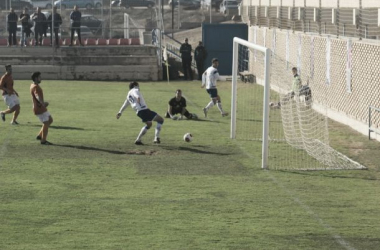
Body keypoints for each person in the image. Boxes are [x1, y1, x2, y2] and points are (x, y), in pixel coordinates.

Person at [30, 72, 53, 145]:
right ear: (36, 78)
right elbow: (37, 96)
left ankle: (40, 136)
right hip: (39, 108)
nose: (41, 78)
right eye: (40, 77)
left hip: (41, 107)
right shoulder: (36, 87)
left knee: (50, 120)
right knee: (46, 123)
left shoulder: (33, 85)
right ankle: (43, 140)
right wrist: (43, 103)